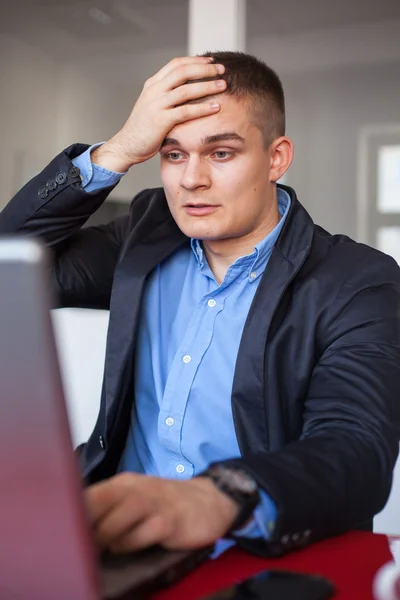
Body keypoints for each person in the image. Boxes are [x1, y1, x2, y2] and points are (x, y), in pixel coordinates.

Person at [1, 51, 400, 559]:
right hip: (110, 545)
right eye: (173, 154)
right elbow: (7, 262)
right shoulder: (143, 237)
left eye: (221, 153)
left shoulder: (356, 280)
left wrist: (217, 497)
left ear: (276, 157)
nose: (191, 180)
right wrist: (118, 150)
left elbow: (356, 449)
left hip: (251, 556)